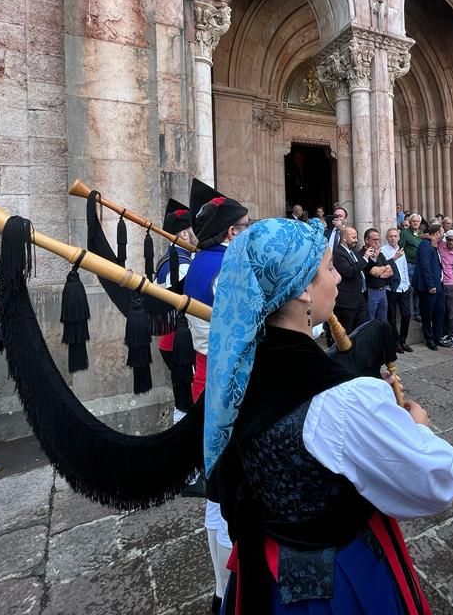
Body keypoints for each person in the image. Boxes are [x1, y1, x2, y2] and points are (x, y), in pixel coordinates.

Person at [205, 217, 453, 614]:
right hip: (335, 581)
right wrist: (421, 430)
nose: (338, 281)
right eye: (328, 268)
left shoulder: (236, 372)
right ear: (304, 291)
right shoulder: (342, 400)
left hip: (267, 568)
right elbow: (435, 483)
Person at [183, 181, 250, 612]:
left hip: (205, 375)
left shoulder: (197, 263)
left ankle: (222, 586)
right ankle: (232, 586)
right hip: (231, 380)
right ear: (230, 233)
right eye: (244, 226)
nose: (246, 231)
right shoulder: (231, 267)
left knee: (216, 488)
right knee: (234, 487)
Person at [153, 199, 194, 425]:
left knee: (184, 396)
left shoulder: (169, 259)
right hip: (179, 342)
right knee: (185, 400)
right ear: (185, 235)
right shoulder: (182, 264)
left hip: (172, 341)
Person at [412, 224, 447, 350]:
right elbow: (425, 266)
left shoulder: (433, 244)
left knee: (440, 311)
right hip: (428, 286)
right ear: (437, 232)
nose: (443, 235)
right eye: (442, 232)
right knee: (427, 314)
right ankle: (429, 339)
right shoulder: (425, 245)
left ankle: (438, 337)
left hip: (438, 285)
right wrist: (430, 285)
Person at [380, 228, 412, 354]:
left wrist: (407, 283)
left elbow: (404, 268)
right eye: (390, 236)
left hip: (404, 287)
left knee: (406, 315)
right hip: (391, 288)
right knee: (391, 317)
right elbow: (383, 267)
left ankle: (403, 341)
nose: (393, 238)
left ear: (398, 238)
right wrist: (394, 257)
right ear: (387, 238)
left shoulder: (401, 249)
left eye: (395, 236)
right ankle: (395, 342)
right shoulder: (383, 250)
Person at [334, 225, 370, 333]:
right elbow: (349, 272)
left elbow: (360, 268)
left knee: (360, 330)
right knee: (347, 332)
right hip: (347, 302)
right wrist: (365, 258)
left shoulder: (352, 252)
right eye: (353, 238)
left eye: (356, 237)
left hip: (359, 298)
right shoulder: (338, 253)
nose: (356, 240)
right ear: (344, 238)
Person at [361, 228, 393, 323]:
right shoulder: (362, 254)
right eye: (374, 240)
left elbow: (390, 271)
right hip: (371, 292)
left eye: (378, 240)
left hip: (383, 291)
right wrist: (383, 268)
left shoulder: (380, 253)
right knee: (370, 321)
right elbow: (373, 272)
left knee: (383, 321)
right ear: (367, 240)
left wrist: (380, 272)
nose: (377, 242)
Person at [438, 229, 453, 347]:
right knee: (442, 309)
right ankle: (445, 333)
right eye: (450, 240)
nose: (452, 243)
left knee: (451, 310)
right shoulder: (441, 245)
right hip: (439, 281)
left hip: (449, 283)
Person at [399, 214, 423, 318]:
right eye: (413, 221)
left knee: (418, 290)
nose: (415, 223)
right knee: (410, 290)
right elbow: (401, 247)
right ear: (410, 222)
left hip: (420, 265)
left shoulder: (421, 233)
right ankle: (409, 312)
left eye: (417, 221)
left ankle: (417, 312)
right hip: (410, 265)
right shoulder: (405, 233)